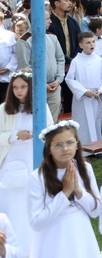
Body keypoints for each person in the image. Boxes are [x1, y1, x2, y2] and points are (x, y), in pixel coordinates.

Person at [29, 120, 101, 258]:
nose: (65, 149)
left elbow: (96, 211)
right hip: (53, 240)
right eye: (58, 145)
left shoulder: (86, 169)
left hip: (81, 236)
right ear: (49, 149)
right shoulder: (37, 177)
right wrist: (65, 193)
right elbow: (36, 223)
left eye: (70, 143)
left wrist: (78, 190)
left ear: (77, 144)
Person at [0, 71, 53, 256]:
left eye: (23, 87)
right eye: (15, 87)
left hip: (34, 161)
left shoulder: (40, 107)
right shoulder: (4, 109)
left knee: (32, 204)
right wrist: (15, 135)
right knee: (13, 207)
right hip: (12, 164)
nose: (19, 91)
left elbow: (50, 133)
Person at [65, 32, 102, 148]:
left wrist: (101, 90)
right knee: (82, 122)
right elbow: (69, 79)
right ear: (81, 45)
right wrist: (83, 91)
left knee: (95, 121)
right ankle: (84, 148)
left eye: (93, 42)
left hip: (95, 96)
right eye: (88, 42)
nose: (92, 45)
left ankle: (97, 147)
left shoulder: (99, 60)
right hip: (83, 97)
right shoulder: (76, 61)